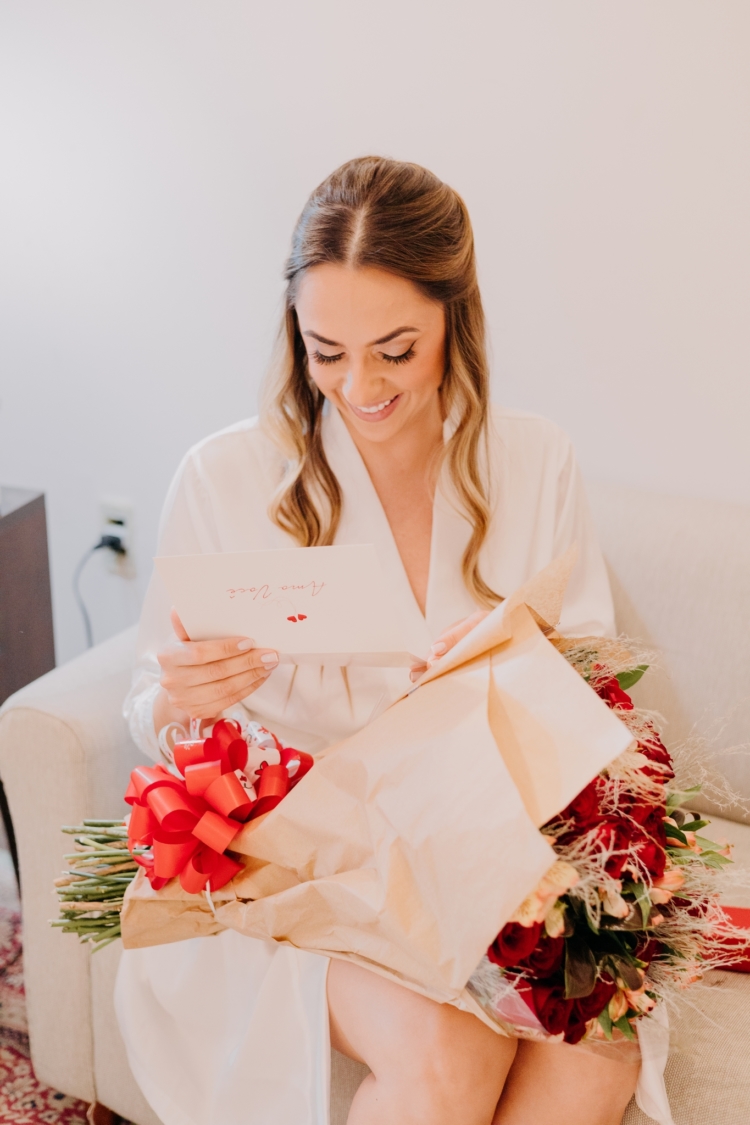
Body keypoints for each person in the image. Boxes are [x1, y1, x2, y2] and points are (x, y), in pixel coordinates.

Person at [116, 156, 666, 1125]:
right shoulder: (226, 478)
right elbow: (148, 709)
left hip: (479, 853)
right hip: (298, 868)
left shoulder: (533, 462)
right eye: (326, 351)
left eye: (395, 351)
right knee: (447, 1050)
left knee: (597, 1054)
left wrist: (507, 666)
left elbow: (594, 696)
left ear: (457, 317)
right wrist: (182, 698)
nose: (359, 386)